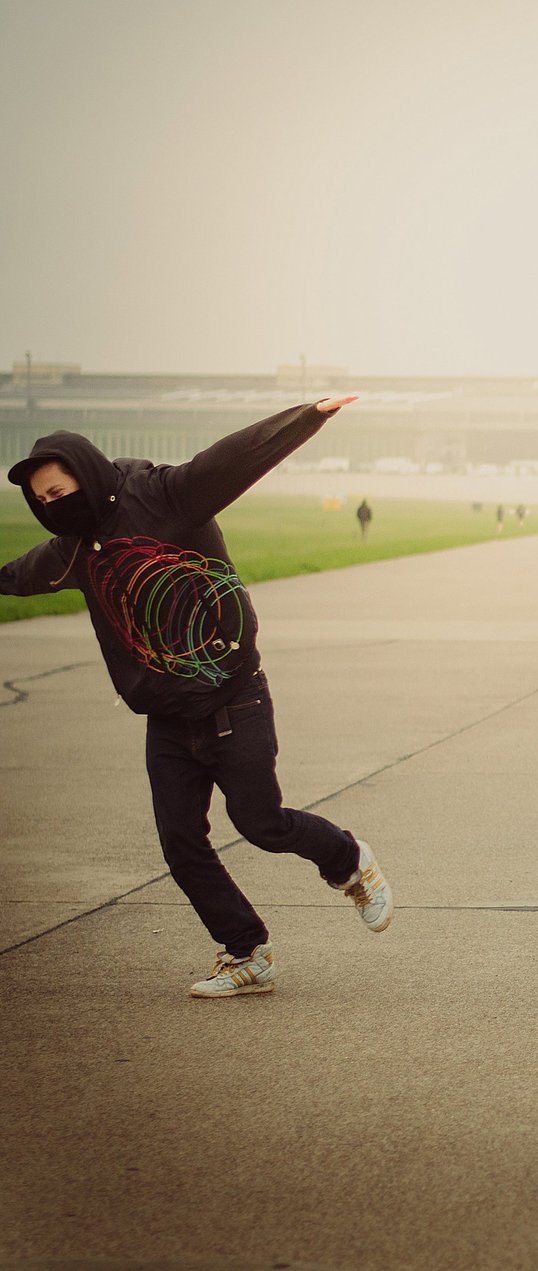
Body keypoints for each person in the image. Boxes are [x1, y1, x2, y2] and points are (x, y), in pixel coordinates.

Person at [1, 398, 394, 998]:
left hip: (233, 697)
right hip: (166, 715)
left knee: (261, 823)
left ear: (86, 473)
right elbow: (18, 574)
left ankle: (348, 861)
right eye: (43, 501)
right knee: (181, 844)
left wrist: (307, 415)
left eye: (60, 491)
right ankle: (247, 953)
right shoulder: (74, 549)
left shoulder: (164, 495)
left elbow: (232, 460)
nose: (54, 506)